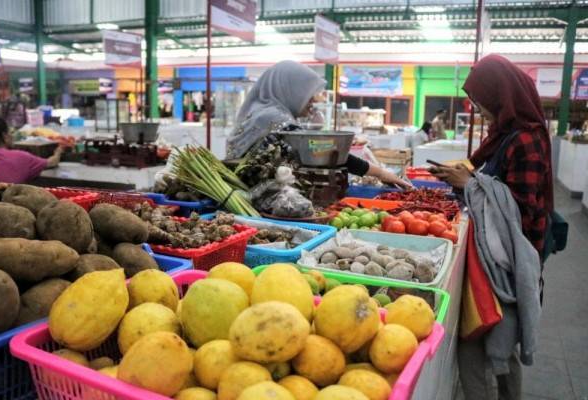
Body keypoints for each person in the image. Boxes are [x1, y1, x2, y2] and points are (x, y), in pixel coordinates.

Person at [432, 54, 553, 400]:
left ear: (501, 97)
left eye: (485, 106)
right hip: (498, 258)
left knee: (481, 348)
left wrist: (470, 183)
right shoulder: (505, 134)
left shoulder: (525, 140)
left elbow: (522, 211)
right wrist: (464, 180)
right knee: (498, 347)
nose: (482, 114)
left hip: (508, 264)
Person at [226, 60, 412, 188]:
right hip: (252, 197)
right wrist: (379, 173)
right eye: (307, 95)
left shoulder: (264, 112)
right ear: (290, 90)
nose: (312, 102)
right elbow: (319, 150)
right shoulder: (272, 116)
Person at [0, 117, 62, 183]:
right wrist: (58, 151)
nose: (12, 135)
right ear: (4, 136)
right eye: (10, 132)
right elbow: (52, 162)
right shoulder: (20, 157)